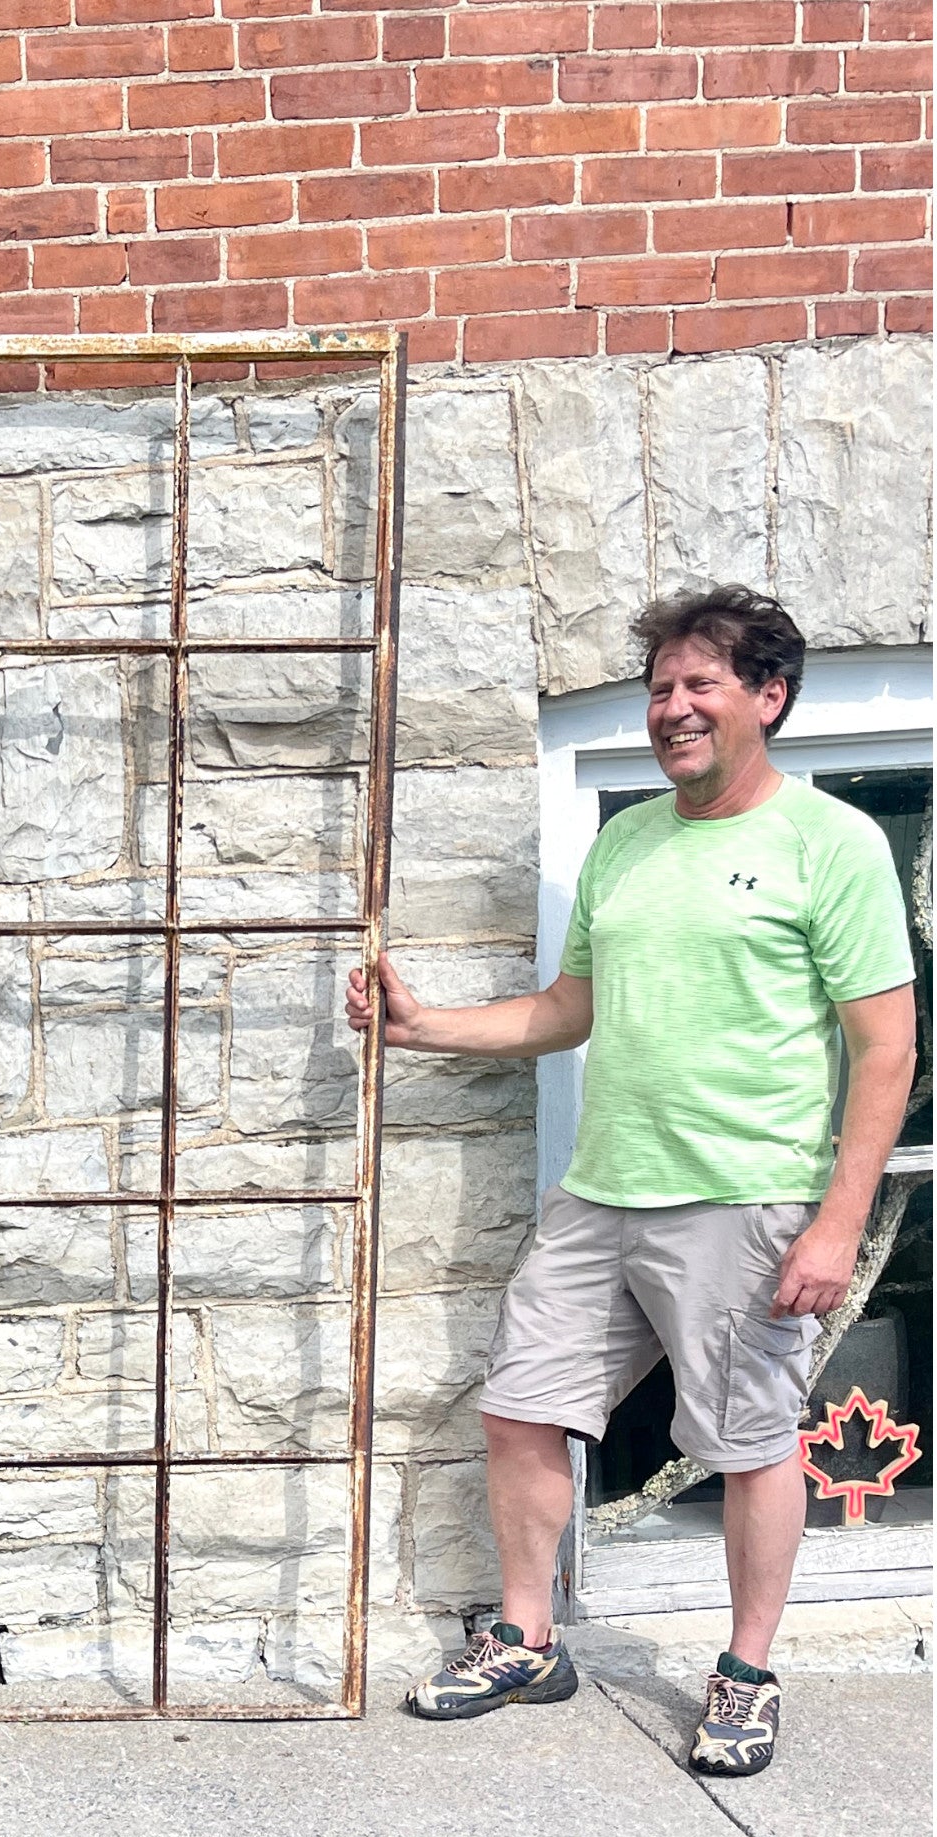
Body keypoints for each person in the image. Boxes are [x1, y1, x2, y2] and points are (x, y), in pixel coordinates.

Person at [347, 585, 917, 1776]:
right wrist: (422, 1028)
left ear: (767, 697)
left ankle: (747, 1671)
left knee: (747, 1439)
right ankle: (524, 1636)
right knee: (519, 1404)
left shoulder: (830, 844)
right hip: (605, 1189)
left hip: (742, 1196)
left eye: (698, 684)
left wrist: (835, 1220)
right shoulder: (625, 840)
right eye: (659, 687)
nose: (671, 707)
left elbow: (883, 1046)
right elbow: (569, 1009)